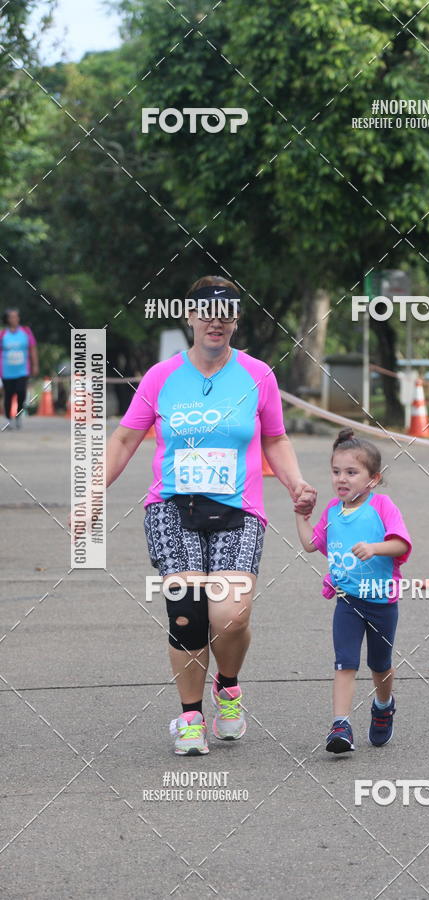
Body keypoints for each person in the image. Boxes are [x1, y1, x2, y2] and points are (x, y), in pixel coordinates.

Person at [106, 275, 316, 755]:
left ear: (235, 322)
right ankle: (190, 717)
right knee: (187, 611)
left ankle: (229, 685)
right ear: (190, 318)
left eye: (224, 317)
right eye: (206, 315)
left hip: (238, 508)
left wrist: (295, 484)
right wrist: (92, 491)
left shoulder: (258, 374)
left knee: (229, 615)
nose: (214, 324)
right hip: (172, 507)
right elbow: (124, 439)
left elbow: (276, 438)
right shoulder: (162, 377)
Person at [296, 428, 411, 754]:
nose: (341, 479)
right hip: (347, 601)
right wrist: (301, 516)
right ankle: (341, 725)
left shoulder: (382, 506)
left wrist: (375, 548)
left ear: (372, 479)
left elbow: (400, 542)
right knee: (345, 662)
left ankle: (383, 704)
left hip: (381, 601)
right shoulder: (332, 511)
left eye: (351, 472)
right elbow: (310, 544)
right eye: (336, 472)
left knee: (380, 664)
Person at [0, 308, 38, 430]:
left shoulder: (26, 332)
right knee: (9, 395)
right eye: (11, 317)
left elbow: (32, 349)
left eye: (16, 316)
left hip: (22, 370)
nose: (14, 319)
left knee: (21, 392)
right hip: (6, 370)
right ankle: (8, 420)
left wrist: (35, 365)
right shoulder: (2, 334)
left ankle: (18, 416)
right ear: (7, 319)